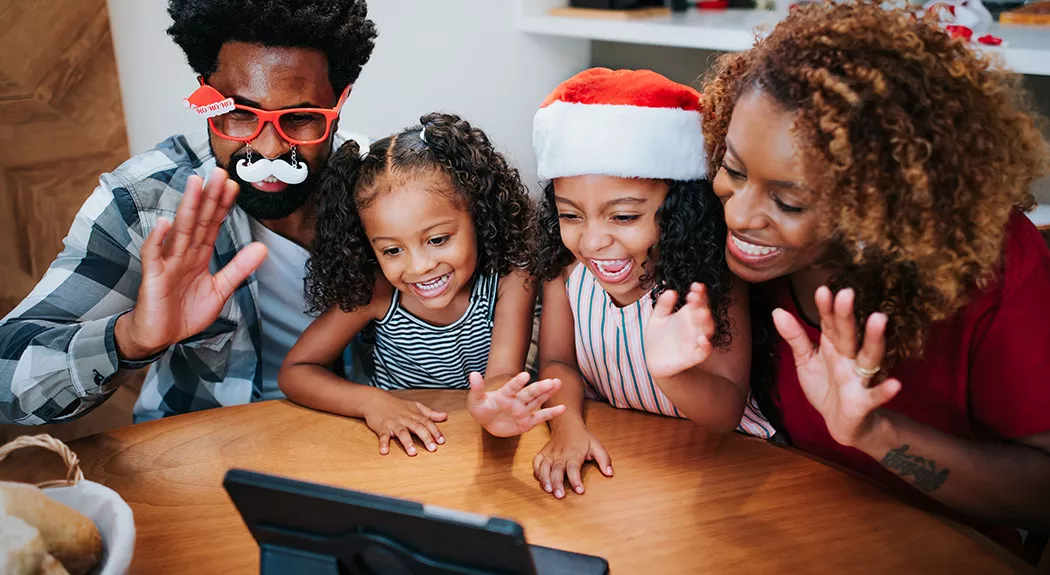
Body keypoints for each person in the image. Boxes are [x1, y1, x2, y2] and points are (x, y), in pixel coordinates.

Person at [701, 0, 1050, 549]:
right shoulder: (729, 244)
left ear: (883, 205)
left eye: (790, 202)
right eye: (733, 169)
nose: (739, 215)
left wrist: (876, 435)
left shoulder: (995, 266)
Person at [0, 0, 378, 424]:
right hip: (199, 459)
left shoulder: (389, 192)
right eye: (238, 114)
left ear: (339, 103)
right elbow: (6, 377)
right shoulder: (145, 201)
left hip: (359, 445)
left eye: (302, 119)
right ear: (206, 95)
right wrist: (131, 338)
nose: (269, 150)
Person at [529, 68, 774, 499]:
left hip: (723, 470)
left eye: (623, 217)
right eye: (570, 215)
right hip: (627, 465)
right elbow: (558, 365)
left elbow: (726, 410)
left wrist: (671, 375)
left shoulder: (712, 280)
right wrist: (568, 430)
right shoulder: (566, 271)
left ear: (679, 213)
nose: (593, 241)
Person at [279, 114, 564, 456]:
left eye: (438, 239)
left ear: (478, 216)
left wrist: (493, 405)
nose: (419, 267)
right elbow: (296, 372)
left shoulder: (511, 276)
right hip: (397, 448)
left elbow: (502, 373)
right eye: (392, 250)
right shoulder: (379, 292)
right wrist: (371, 403)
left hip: (470, 444)